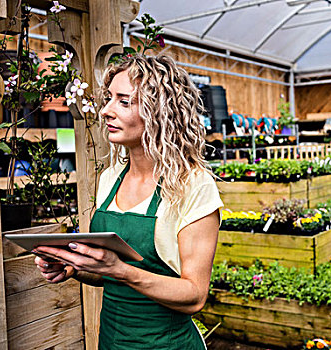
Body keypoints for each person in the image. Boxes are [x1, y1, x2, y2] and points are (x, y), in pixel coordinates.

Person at [33, 54, 223, 349]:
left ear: (160, 112)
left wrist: (120, 270)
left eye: (124, 101)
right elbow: (105, 270)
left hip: (166, 344)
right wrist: (73, 266)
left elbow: (195, 295)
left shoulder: (192, 185)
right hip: (111, 341)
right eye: (109, 98)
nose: (107, 110)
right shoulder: (110, 178)